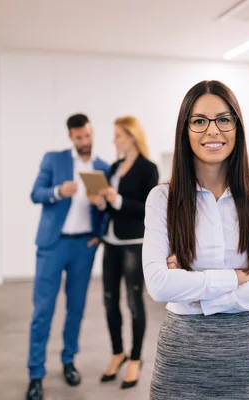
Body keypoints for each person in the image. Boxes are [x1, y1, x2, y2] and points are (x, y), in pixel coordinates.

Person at [142, 80, 249, 400]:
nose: (213, 130)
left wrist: (203, 293)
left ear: (237, 128)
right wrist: (241, 277)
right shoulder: (162, 199)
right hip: (181, 358)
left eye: (224, 119)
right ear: (185, 130)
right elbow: (158, 284)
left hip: (245, 358)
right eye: (200, 121)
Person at [27, 113, 110, 400]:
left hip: (83, 248)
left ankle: (68, 361)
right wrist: (58, 191)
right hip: (53, 244)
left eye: (88, 136)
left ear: (91, 133)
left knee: (76, 308)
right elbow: (35, 193)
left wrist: (99, 223)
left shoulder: (102, 167)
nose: (85, 142)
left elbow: (107, 209)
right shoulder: (54, 159)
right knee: (43, 311)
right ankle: (36, 373)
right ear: (70, 137)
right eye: (79, 138)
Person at [88, 116, 159, 390]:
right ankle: (117, 352)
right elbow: (111, 207)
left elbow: (148, 208)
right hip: (111, 241)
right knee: (109, 300)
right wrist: (101, 201)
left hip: (134, 242)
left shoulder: (148, 168)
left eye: (118, 135)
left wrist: (114, 198)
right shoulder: (115, 167)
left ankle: (136, 359)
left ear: (131, 136)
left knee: (133, 301)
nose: (114, 140)